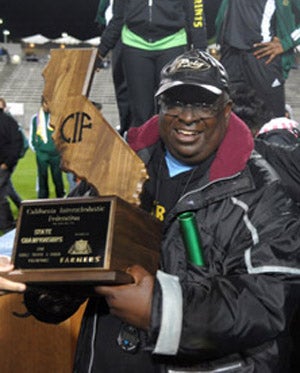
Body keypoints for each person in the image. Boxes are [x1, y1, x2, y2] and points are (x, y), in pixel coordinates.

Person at [23, 50, 300, 372]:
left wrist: (163, 311)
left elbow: (269, 299)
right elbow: (69, 249)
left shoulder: (260, 189)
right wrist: (49, 288)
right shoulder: (112, 166)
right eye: (176, 101)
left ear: (226, 111)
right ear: (159, 106)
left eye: (203, 103)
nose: (187, 116)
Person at [97, 0, 207, 128]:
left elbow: (196, 16)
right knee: (141, 114)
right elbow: (118, 16)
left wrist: (201, 53)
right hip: (135, 44)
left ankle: (168, 150)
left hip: (172, 43)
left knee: (172, 110)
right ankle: (143, 150)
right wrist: (100, 53)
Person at [215, 0, 300, 117]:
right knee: (226, 117)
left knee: (271, 117)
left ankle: (283, 118)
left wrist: (286, 43)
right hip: (231, 54)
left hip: (263, 57)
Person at [95, 0, 132, 135]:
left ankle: (135, 134)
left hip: (133, 28)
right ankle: (127, 131)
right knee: (122, 89)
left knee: (133, 90)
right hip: (116, 30)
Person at [29, 97, 65, 199]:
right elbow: (32, 135)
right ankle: (42, 200)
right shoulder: (35, 118)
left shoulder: (57, 117)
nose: (47, 106)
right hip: (42, 154)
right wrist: (37, 149)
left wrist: (60, 148)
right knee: (42, 177)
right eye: (46, 103)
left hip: (55, 153)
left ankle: (61, 198)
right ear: (42, 104)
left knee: (57, 177)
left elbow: (62, 134)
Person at [0, 97, 23, 232]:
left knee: (1, 195)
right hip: (5, 163)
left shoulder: (8, 122)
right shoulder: (9, 121)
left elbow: (17, 143)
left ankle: (7, 224)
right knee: (6, 190)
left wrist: (7, 163)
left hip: (3, 164)